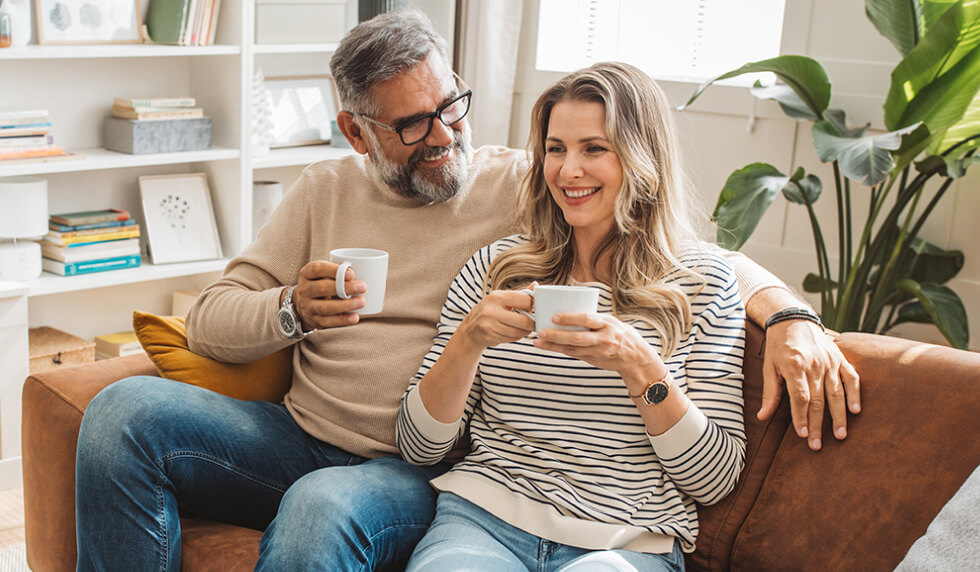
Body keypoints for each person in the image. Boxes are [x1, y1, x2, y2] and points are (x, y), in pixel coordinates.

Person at [73, 10, 856, 571]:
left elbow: (675, 248)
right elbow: (211, 320)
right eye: (413, 125)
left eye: (451, 106)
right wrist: (291, 309)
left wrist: (787, 315)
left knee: (324, 507)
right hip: (303, 436)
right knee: (121, 414)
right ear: (357, 132)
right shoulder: (324, 191)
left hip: (416, 464)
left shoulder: (528, 181)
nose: (444, 136)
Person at [398, 61, 744, 571]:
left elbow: (713, 481)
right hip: (484, 518)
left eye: (594, 149)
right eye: (556, 149)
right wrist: (467, 340)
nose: (567, 170)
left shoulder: (704, 284)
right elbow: (418, 447)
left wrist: (641, 369)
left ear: (642, 158)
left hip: (626, 543)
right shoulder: (497, 269)